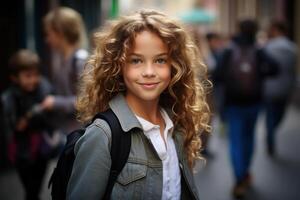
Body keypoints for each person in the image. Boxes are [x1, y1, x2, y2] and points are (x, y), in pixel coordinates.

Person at [66, 10, 211, 199]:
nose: (149, 71)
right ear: (118, 66)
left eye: (160, 60)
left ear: (174, 66)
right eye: (136, 60)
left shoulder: (177, 124)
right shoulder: (103, 135)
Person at [216, 19, 278, 199]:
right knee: (249, 138)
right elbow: (275, 68)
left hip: (233, 103)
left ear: (238, 29)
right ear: (255, 31)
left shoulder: (228, 50)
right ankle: (245, 172)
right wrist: (259, 75)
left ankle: (239, 177)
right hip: (254, 102)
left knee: (235, 142)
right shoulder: (259, 50)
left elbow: (217, 75)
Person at [1, 49, 53, 200]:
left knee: (35, 187)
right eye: (28, 76)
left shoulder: (43, 88)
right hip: (21, 150)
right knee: (29, 186)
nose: (33, 80)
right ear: (14, 78)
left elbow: (48, 116)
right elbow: (12, 126)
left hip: (41, 148)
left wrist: (30, 118)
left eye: (36, 75)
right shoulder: (9, 98)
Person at [42, 7, 88, 134]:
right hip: (66, 133)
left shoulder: (79, 60)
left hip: (77, 134)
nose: (47, 39)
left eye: (49, 33)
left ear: (60, 33)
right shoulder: (64, 59)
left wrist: (55, 102)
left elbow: (87, 100)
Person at [263, 20, 298, 156]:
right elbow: (292, 71)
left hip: (269, 88)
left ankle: (270, 135)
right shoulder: (293, 48)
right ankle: (271, 133)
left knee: (270, 117)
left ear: (276, 30)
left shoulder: (267, 47)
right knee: (279, 115)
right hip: (285, 88)